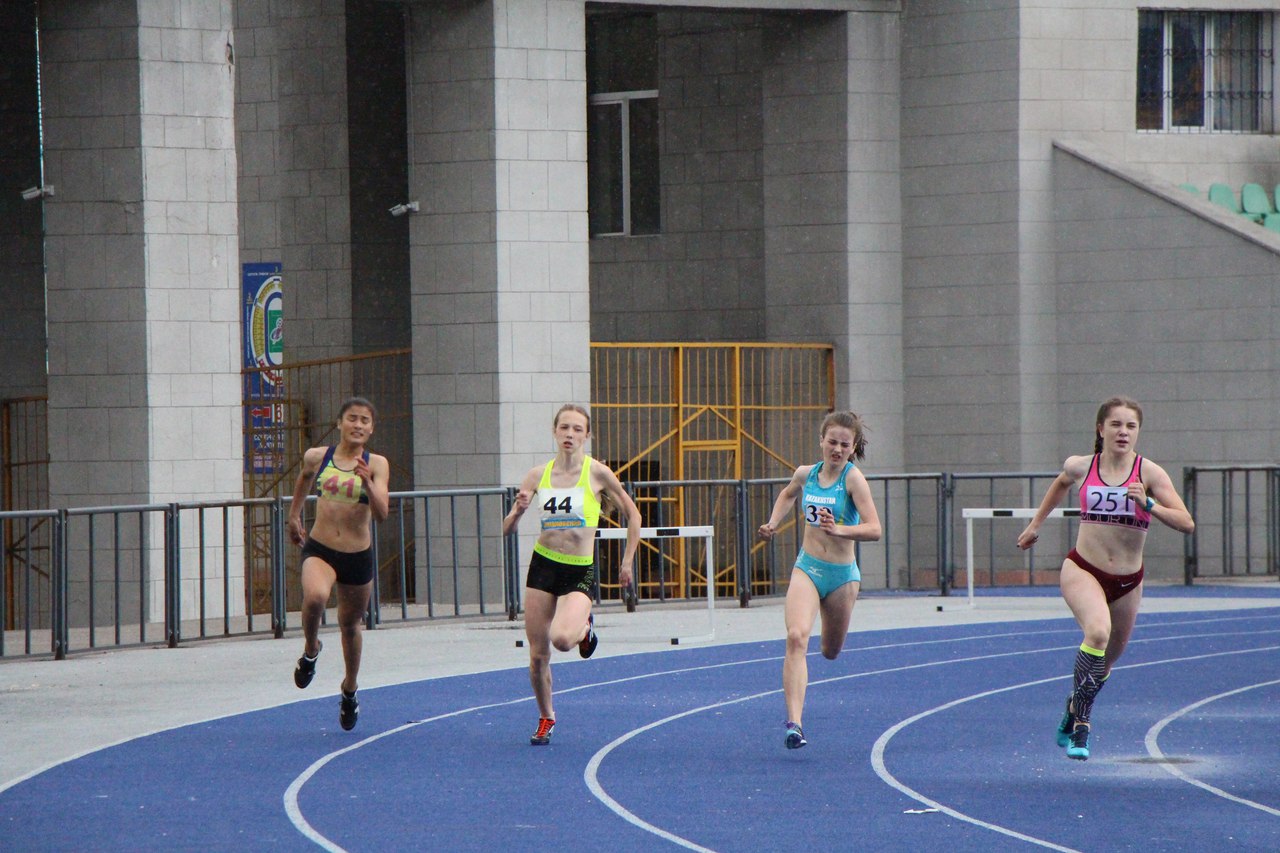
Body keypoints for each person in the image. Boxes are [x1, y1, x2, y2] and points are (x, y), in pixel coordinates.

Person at [1017, 396, 1193, 760]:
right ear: (1101, 429)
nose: (1123, 432)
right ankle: (1082, 726)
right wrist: (1035, 525)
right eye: (1115, 424)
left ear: (1138, 432)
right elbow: (1060, 484)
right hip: (1084, 568)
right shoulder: (1081, 466)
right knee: (1097, 632)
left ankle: (1072, 708)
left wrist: (1149, 504)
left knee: (1106, 662)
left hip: (1128, 580)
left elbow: (1186, 523)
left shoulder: (1150, 474)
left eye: (1130, 426)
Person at [503, 404, 641, 745]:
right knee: (538, 656)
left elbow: (634, 515)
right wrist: (518, 512)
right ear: (554, 431)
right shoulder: (537, 475)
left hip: (578, 570)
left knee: (563, 640)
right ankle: (546, 717)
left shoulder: (598, 473)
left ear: (587, 435)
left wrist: (627, 562)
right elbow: (506, 529)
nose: (569, 434)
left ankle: (585, 627)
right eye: (564, 427)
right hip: (543, 566)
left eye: (577, 429)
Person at [758, 411, 882, 749]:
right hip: (808, 568)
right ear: (821, 441)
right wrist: (773, 522)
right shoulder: (805, 474)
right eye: (832, 442)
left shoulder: (853, 480)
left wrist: (838, 529)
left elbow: (874, 529)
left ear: (853, 448)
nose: (837, 449)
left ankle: (827, 648)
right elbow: (788, 494)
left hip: (841, 576)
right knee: (796, 637)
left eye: (845, 444)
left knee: (829, 651)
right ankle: (794, 724)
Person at [287, 397, 390, 732]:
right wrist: (294, 515)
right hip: (321, 548)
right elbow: (304, 478)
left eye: (364, 420)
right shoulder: (318, 456)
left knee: (350, 625)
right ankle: (311, 650)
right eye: (352, 418)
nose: (357, 425)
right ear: (339, 423)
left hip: (357, 555)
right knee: (316, 597)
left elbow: (382, 513)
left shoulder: (377, 464)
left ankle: (349, 689)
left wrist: (368, 483)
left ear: (371, 429)